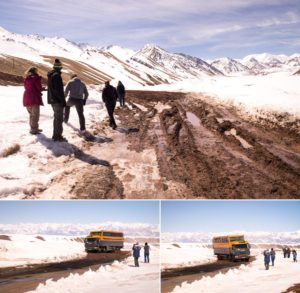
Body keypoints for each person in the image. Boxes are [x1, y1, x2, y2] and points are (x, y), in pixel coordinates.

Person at [47, 58, 67, 141]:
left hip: (52, 100)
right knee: (59, 119)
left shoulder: (51, 75)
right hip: (57, 101)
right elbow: (58, 91)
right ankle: (57, 136)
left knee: (56, 118)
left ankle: (56, 135)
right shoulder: (57, 76)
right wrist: (63, 101)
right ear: (59, 68)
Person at [23, 67, 44, 135]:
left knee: (31, 114)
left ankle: (34, 128)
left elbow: (26, 87)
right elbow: (39, 88)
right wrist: (42, 88)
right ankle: (34, 130)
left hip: (26, 97)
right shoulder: (36, 78)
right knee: (35, 115)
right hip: (34, 97)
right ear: (35, 71)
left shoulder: (26, 78)